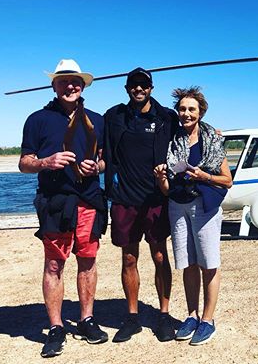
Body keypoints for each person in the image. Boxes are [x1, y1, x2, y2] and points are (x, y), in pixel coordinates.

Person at [19, 59, 108, 358]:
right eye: (64, 81)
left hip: (89, 200)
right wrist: (46, 162)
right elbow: (24, 163)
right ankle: (56, 327)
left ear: (83, 86)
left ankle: (86, 319)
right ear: (54, 85)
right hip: (55, 202)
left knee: (88, 261)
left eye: (76, 82)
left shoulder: (97, 119)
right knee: (55, 264)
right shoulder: (38, 119)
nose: (71, 86)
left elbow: (105, 160)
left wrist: (96, 166)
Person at [103, 67, 178, 342]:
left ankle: (164, 314)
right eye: (133, 85)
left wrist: (212, 133)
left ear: (151, 88)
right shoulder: (114, 117)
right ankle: (132, 317)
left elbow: (189, 134)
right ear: (126, 89)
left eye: (143, 85)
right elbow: (96, 144)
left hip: (156, 199)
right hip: (125, 199)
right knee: (129, 258)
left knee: (160, 256)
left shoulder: (166, 118)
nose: (138, 89)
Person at [153, 86, 232, 346]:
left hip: (205, 206)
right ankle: (191, 315)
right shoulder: (173, 140)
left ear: (200, 112)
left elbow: (227, 181)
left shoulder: (212, 139)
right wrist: (162, 179)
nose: (186, 113)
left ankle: (207, 320)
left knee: (209, 263)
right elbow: (167, 190)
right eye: (182, 109)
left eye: (191, 109)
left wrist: (204, 176)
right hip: (178, 205)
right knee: (187, 263)